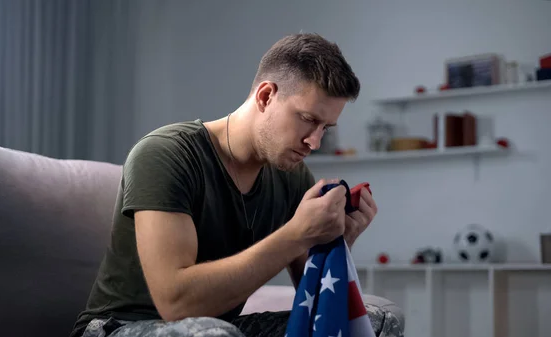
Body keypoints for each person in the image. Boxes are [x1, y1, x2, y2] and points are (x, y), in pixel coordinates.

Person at [71, 33, 402, 337]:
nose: (314, 142)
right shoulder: (166, 154)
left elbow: (314, 296)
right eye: (308, 119)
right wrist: (297, 234)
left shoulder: (292, 175)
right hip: (117, 328)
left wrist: (336, 242)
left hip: (218, 328)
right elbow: (177, 305)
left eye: (326, 128)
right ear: (265, 96)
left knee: (378, 322)